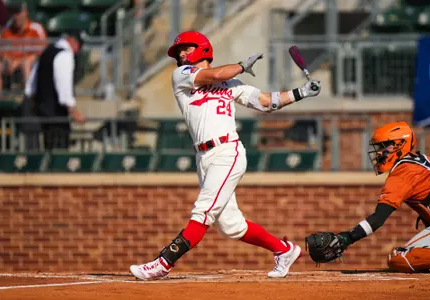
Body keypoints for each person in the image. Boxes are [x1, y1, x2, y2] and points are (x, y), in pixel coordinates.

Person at [129, 31, 321, 280]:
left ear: (202, 48)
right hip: (203, 156)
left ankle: (163, 263)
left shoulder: (231, 84)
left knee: (203, 211)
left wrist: (301, 93)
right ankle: (283, 250)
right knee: (232, 225)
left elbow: (265, 102)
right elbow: (215, 74)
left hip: (227, 152)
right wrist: (241, 66)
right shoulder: (182, 76)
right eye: (179, 51)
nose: (181, 54)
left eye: (186, 48)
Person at [305, 121, 430, 273]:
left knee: (399, 259)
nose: (379, 152)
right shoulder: (426, 160)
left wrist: (347, 238)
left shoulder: (402, 172)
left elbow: (378, 218)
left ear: (399, 145)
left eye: (383, 146)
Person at [24, 29, 86, 150]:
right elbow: (64, 87)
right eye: (79, 45)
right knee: (59, 153)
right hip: (56, 112)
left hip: (41, 109)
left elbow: (31, 82)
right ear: (71, 41)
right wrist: (74, 111)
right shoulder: (65, 55)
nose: (78, 50)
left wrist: (32, 101)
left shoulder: (47, 50)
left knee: (48, 148)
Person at [0, 2, 46, 94]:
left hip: (31, 63)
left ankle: (28, 98)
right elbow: (3, 52)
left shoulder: (35, 28)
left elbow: (42, 52)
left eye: (18, 13)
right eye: (13, 13)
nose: (16, 17)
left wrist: (19, 61)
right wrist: (8, 59)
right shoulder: (6, 30)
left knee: (26, 63)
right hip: (12, 63)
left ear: (25, 12)